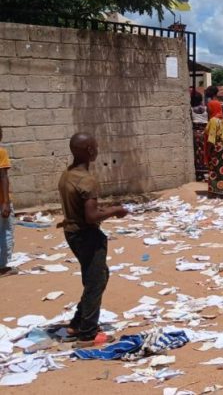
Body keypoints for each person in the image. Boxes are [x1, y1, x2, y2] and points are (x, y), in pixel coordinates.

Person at [58, 133, 128, 347]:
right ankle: (87, 333)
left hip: (72, 232)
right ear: (89, 150)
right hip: (86, 235)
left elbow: (85, 209)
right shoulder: (87, 181)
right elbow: (91, 216)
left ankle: (78, 322)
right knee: (95, 280)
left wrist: (103, 209)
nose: (97, 149)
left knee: (97, 275)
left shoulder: (67, 175)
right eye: (95, 146)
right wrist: (115, 210)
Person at [204, 100, 223, 198]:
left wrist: (207, 152)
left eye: (209, 108)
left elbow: (211, 139)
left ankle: (215, 191)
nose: (208, 110)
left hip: (216, 147)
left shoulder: (213, 120)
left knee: (214, 169)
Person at [0, 125, 14, 278]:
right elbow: (3, 176)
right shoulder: (1, 152)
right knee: (5, 232)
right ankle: (3, 267)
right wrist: (5, 202)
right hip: (1, 200)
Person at [190, 92, 209, 182]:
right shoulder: (206, 109)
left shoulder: (192, 109)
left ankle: (199, 172)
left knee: (197, 152)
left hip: (196, 132)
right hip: (205, 132)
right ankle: (206, 169)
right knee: (205, 151)